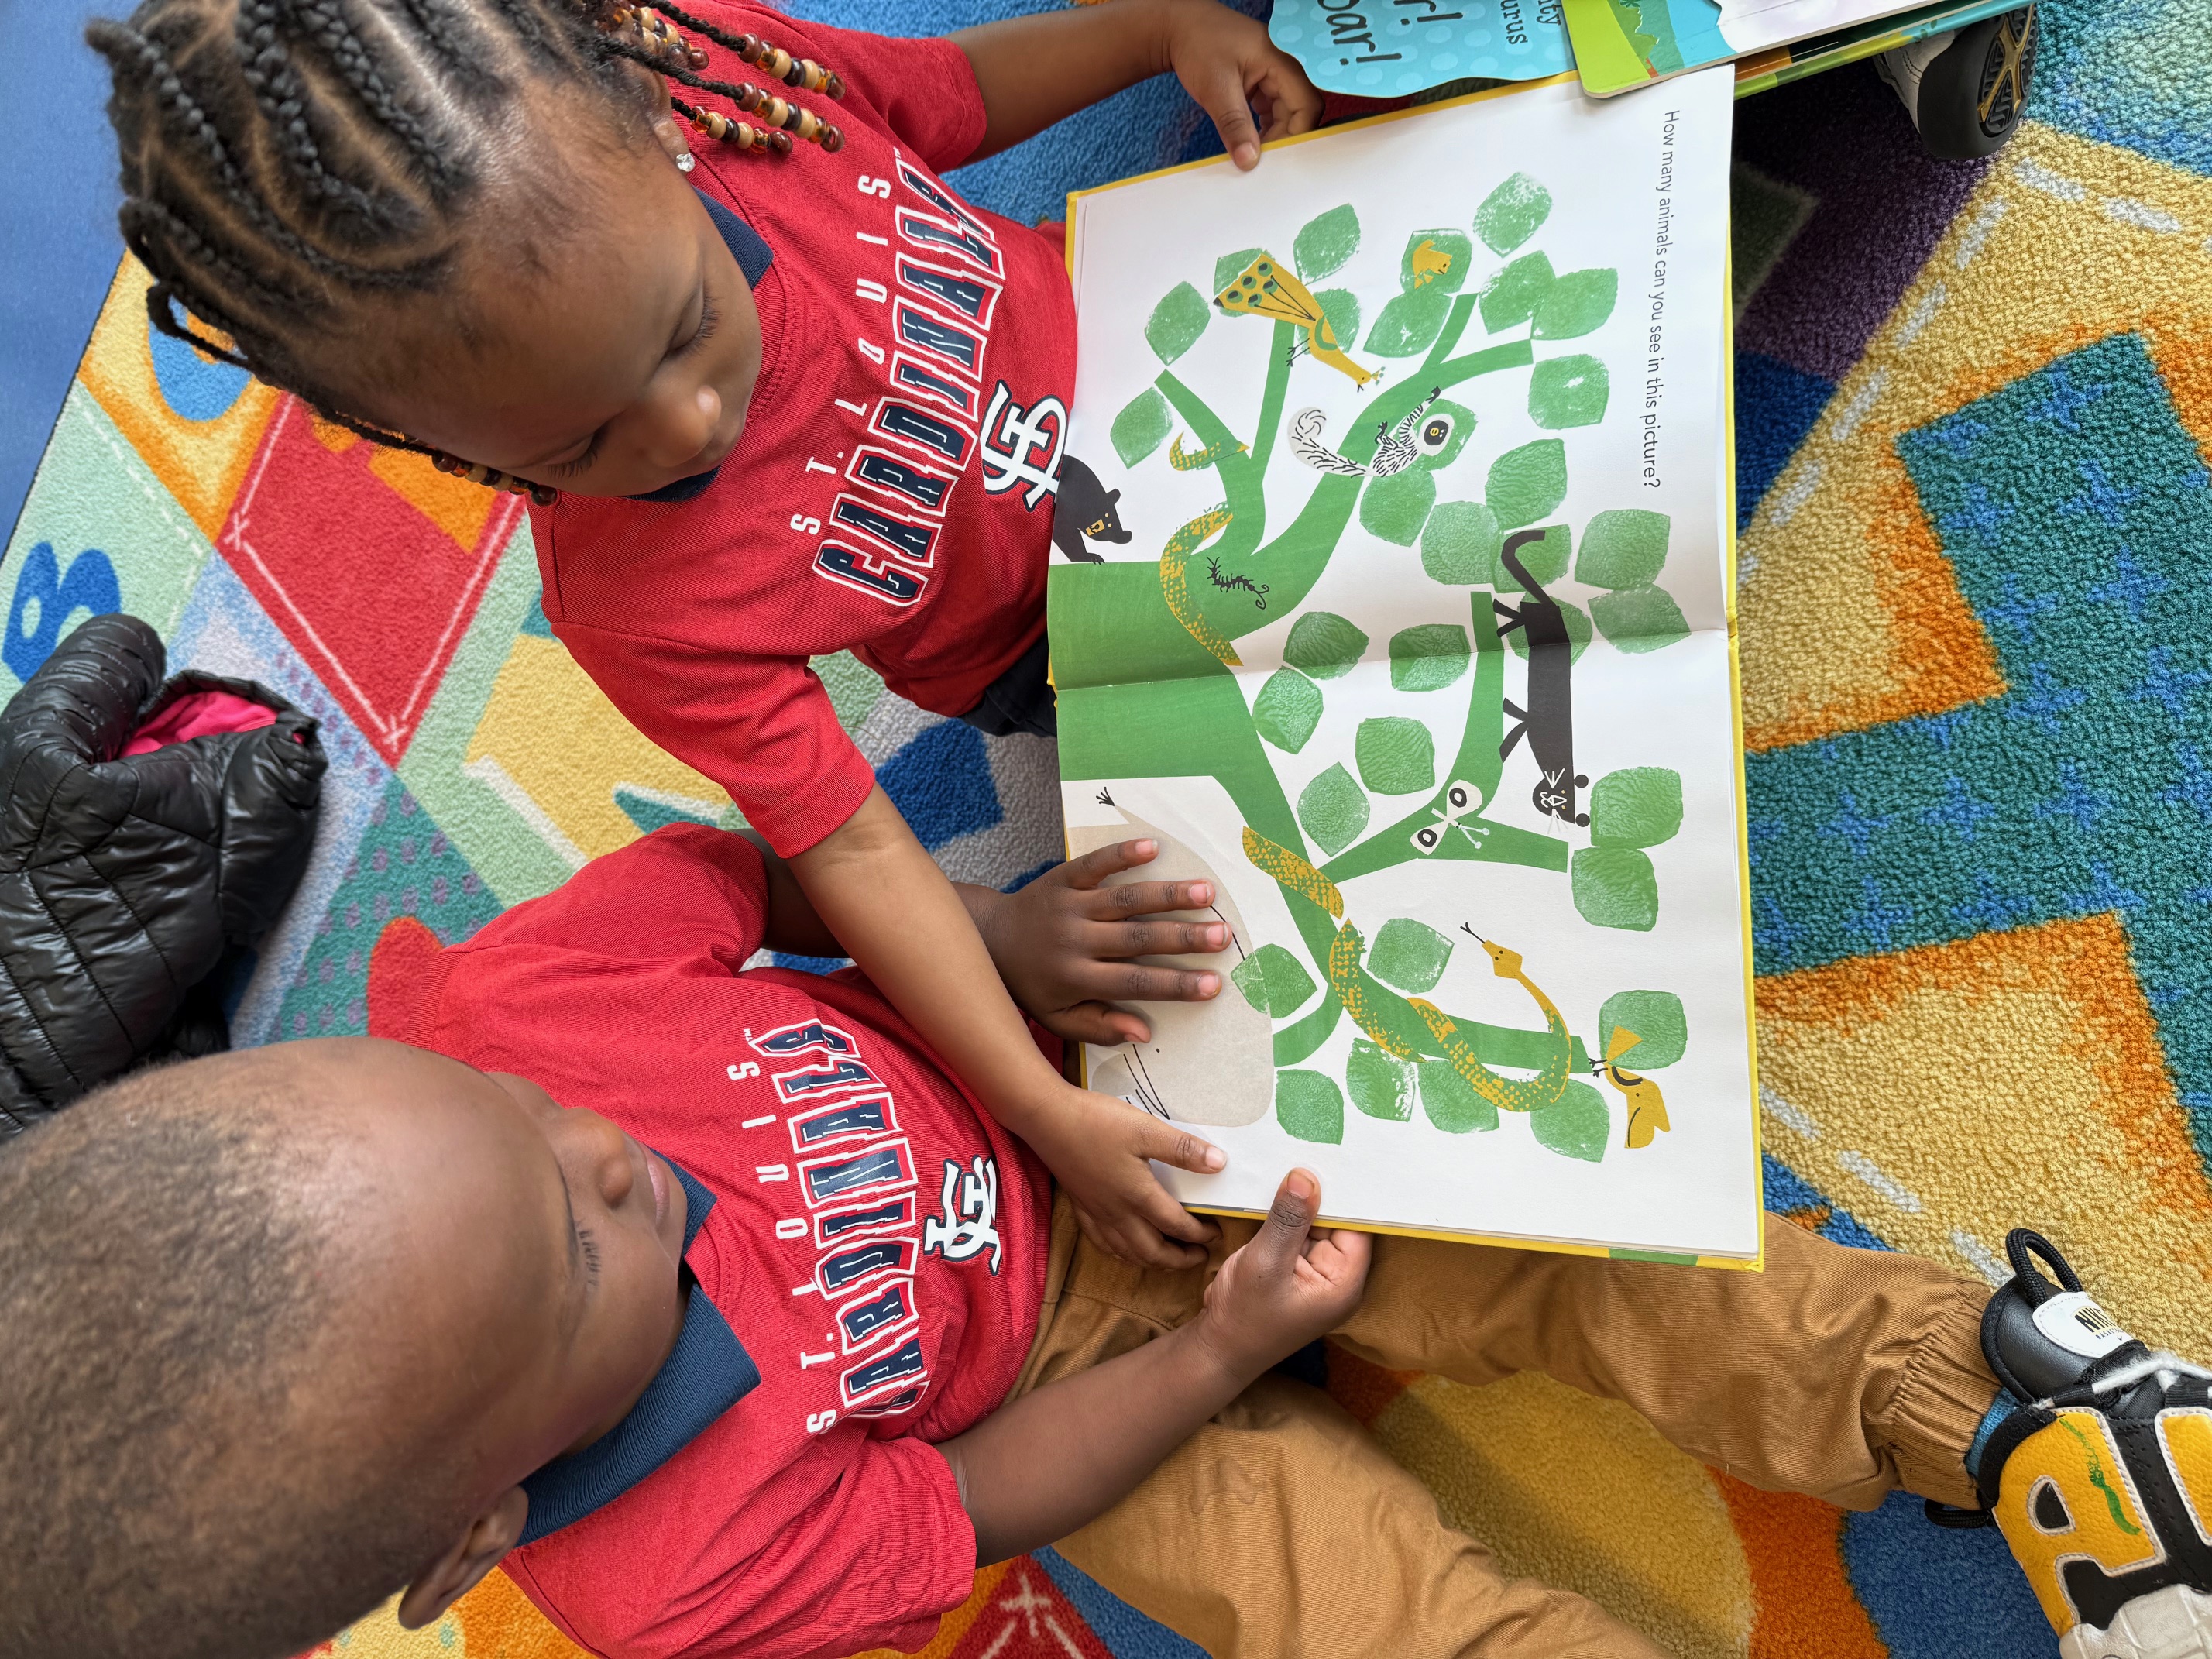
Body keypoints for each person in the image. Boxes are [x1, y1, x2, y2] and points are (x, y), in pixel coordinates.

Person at [3, 823, 2207, 1659]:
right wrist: (1213, 1343)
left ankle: (2010, 1391)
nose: (605, 1163)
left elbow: (761, 882)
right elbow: (966, 1497)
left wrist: (993, 937)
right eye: (574, 1263)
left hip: (1079, 1105)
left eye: (513, 1114)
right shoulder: (658, 1567)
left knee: (1559, 1248)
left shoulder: (516, 999)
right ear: (481, 1518)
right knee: (1358, 1619)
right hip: (1070, 1398)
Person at [86, 0, 1323, 1277]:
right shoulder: (634, 614)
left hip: (1170, 370)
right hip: (1060, 657)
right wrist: (1041, 1105)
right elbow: (848, 841)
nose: (685, 426)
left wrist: (1160, 32)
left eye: (688, 325)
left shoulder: (730, 80)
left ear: (664, 127)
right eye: (578, 446)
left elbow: (945, 87)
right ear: (441, 448)